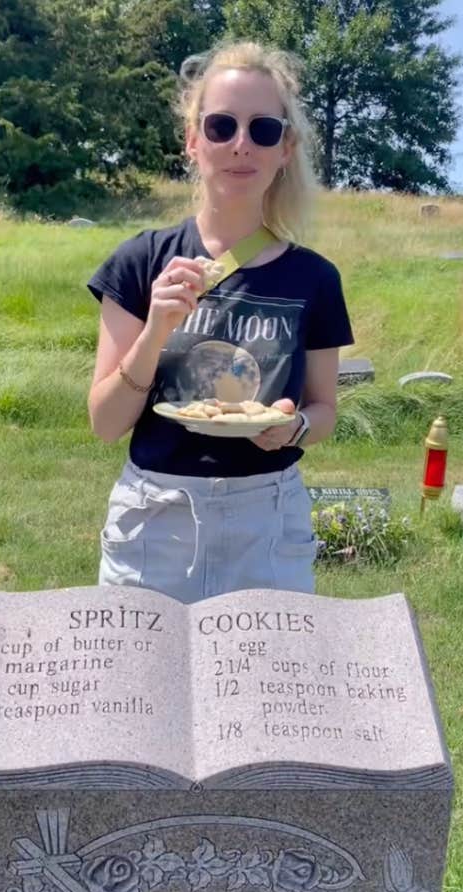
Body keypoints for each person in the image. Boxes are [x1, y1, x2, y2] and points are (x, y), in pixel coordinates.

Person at [87, 40, 354, 603]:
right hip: (156, 520)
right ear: (192, 140)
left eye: (262, 129)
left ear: (285, 148)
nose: (240, 145)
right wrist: (156, 329)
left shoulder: (316, 279)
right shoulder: (141, 262)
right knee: (143, 691)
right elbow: (106, 423)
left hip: (268, 521)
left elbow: (324, 408)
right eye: (220, 126)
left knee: (264, 690)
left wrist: (295, 428)